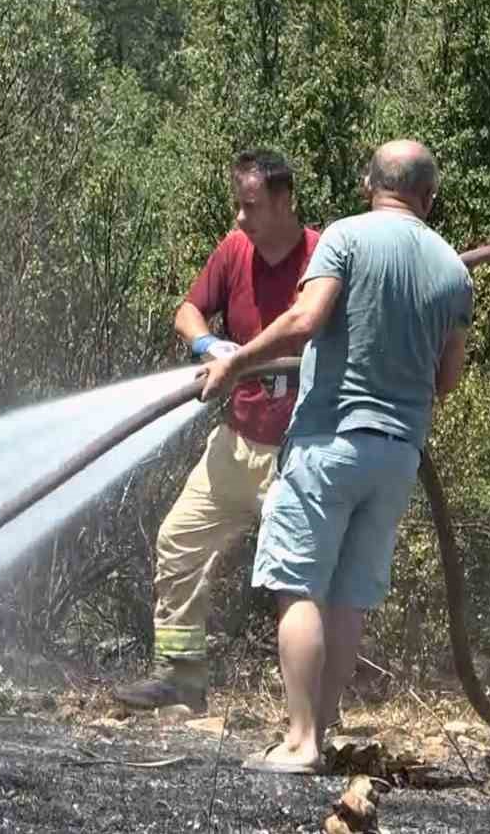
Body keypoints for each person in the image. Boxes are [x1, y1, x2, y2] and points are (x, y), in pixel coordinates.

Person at [200, 139, 474, 774]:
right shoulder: (454, 271)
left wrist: (234, 360)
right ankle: (318, 732)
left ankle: (299, 744)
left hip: (329, 439)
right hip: (398, 454)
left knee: (298, 584)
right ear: (429, 197)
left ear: (367, 184)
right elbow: (448, 379)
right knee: (349, 597)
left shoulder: (344, 237)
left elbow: (307, 318)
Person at [111, 150, 321, 713]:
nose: (239, 218)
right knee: (179, 540)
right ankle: (180, 678)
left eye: (250, 205)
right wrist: (207, 343)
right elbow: (187, 309)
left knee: (299, 577)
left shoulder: (322, 256)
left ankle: (313, 709)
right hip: (237, 442)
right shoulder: (234, 251)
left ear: (284, 201)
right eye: (237, 204)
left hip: (300, 451)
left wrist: (250, 356)